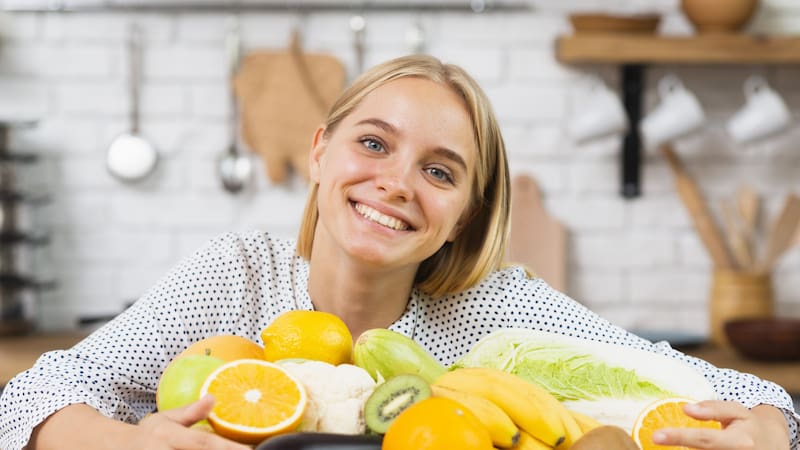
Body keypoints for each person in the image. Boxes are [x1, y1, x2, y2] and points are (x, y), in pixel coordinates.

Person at [0, 54, 797, 450]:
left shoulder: (498, 310)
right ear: (319, 153)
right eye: (373, 144)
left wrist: (763, 428)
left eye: (440, 171)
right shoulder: (236, 276)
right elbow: (28, 398)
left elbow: (750, 398)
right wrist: (123, 443)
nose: (395, 184)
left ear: (464, 216)